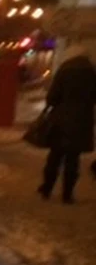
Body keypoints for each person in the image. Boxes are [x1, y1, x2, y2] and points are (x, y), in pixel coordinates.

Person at [39, 43, 96, 204]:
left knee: (55, 157)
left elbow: (52, 97)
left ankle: (46, 189)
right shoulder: (92, 71)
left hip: (60, 120)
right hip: (81, 122)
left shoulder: (64, 70)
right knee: (73, 159)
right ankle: (67, 194)